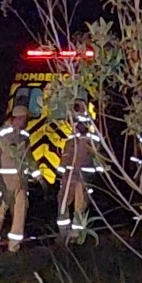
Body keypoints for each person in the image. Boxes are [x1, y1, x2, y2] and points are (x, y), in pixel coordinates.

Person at [0, 104, 39, 256]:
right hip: (4, 184)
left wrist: (38, 176)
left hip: (21, 183)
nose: (26, 123)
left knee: (20, 216)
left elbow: (29, 158)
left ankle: (14, 249)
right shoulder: (0, 135)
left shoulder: (24, 136)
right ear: (17, 118)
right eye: (25, 119)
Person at [55, 103, 98, 241]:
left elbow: (97, 159)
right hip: (69, 177)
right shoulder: (71, 140)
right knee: (63, 202)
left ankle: (77, 235)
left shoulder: (92, 140)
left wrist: (94, 174)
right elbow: (66, 157)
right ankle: (63, 233)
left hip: (83, 177)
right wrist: (60, 173)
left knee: (80, 204)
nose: (80, 126)